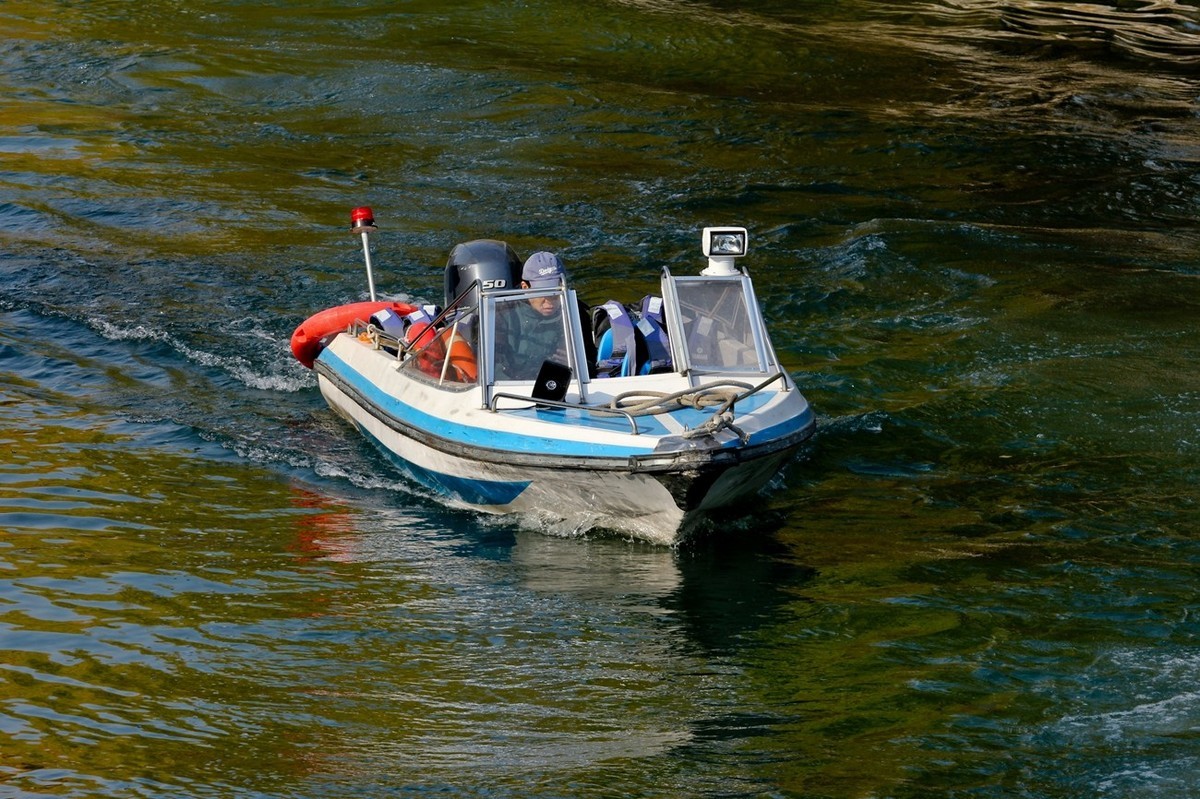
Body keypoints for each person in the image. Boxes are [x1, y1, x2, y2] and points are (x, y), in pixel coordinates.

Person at [493, 251, 571, 381]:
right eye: (543, 292)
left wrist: (573, 362)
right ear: (525, 288)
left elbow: (591, 365)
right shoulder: (500, 315)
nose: (550, 299)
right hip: (513, 390)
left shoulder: (575, 312)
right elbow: (493, 368)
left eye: (556, 291)